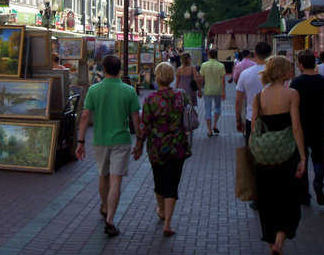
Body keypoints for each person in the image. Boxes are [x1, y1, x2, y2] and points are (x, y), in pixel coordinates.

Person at [76, 54, 141, 236]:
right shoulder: (128, 90)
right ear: (120, 69)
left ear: (103, 69)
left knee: (103, 177)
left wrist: (81, 142)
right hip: (121, 140)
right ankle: (111, 219)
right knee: (116, 180)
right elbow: (136, 117)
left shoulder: (94, 90)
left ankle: (105, 207)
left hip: (100, 140)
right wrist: (140, 141)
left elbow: (84, 117)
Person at [252, 55, 307, 255]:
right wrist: (303, 157)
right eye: (289, 68)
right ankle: (280, 241)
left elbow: (254, 129)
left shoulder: (259, 96)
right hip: (287, 154)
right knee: (290, 199)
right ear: (283, 71)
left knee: (267, 202)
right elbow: (296, 127)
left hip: (265, 157)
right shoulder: (292, 94)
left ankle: (271, 244)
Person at [134, 62, 191, 237]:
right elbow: (190, 115)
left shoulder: (151, 99)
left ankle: (161, 210)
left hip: (156, 147)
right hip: (178, 146)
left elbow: (144, 125)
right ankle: (167, 223)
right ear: (172, 77)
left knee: (159, 182)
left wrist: (139, 145)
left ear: (157, 77)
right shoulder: (181, 95)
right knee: (172, 184)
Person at [290, 49, 324, 206]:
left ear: (300, 64)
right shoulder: (323, 81)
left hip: (301, 127)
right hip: (318, 125)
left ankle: (304, 195)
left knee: (302, 158)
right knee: (320, 157)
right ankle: (318, 182)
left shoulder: (296, 83)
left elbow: (293, 107)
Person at [235, 42, 272, 144]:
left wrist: (238, 120)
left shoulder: (245, 74)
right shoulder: (274, 73)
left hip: (251, 118)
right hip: (273, 118)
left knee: (252, 151)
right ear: (270, 54)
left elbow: (238, 100)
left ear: (255, 54)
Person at [199, 48, 226, 136]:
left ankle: (209, 130)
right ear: (217, 55)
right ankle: (215, 124)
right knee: (217, 107)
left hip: (207, 90)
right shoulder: (221, 65)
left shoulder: (204, 65)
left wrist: (199, 90)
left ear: (209, 55)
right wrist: (224, 91)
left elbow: (201, 79)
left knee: (207, 110)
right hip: (217, 90)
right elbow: (223, 79)